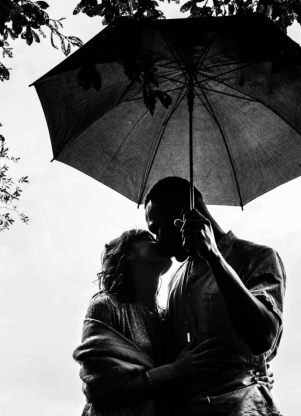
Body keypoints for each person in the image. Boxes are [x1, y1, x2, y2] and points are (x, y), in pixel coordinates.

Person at [145, 177, 286, 416]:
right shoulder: (175, 281)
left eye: (156, 227)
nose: (157, 240)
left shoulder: (258, 258)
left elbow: (263, 338)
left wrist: (214, 257)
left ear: (181, 214)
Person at [73, 229, 230, 416]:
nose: (159, 241)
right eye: (149, 238)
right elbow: (99, 389)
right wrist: (174, 370)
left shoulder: (167, 316)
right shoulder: (106, 305)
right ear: (128, 255)